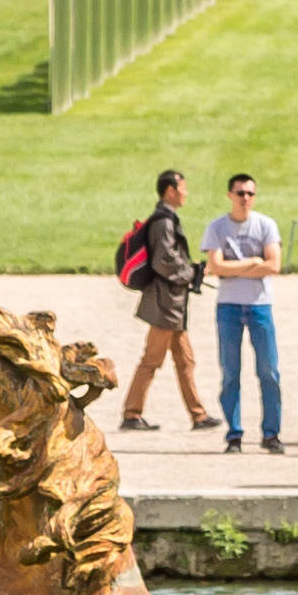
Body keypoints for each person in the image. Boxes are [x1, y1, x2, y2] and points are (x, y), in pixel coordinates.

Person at [117, 167, 216, 430]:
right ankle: (131, 414)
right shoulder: (163, 222)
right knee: (152, 360)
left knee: (185, 361)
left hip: (172, 304)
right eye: (183, 188)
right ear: (170, 191)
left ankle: (199, 415)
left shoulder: (166, 219)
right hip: (165, 305)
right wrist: (191, 272)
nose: (186, 193)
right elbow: (165, 261)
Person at [204, 171, 288, 453]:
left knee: (269, 371)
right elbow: (215, 267)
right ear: (230, 195)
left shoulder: (265, 225)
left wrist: (234, 267)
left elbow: (274, 265)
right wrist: (253, 262)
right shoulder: (217, 228)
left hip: (259, 305)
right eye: (240, 193)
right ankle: (234, 433)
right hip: (228, 306)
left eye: (250, 193)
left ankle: (271, 433)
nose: (245, 199)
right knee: (230, 373)